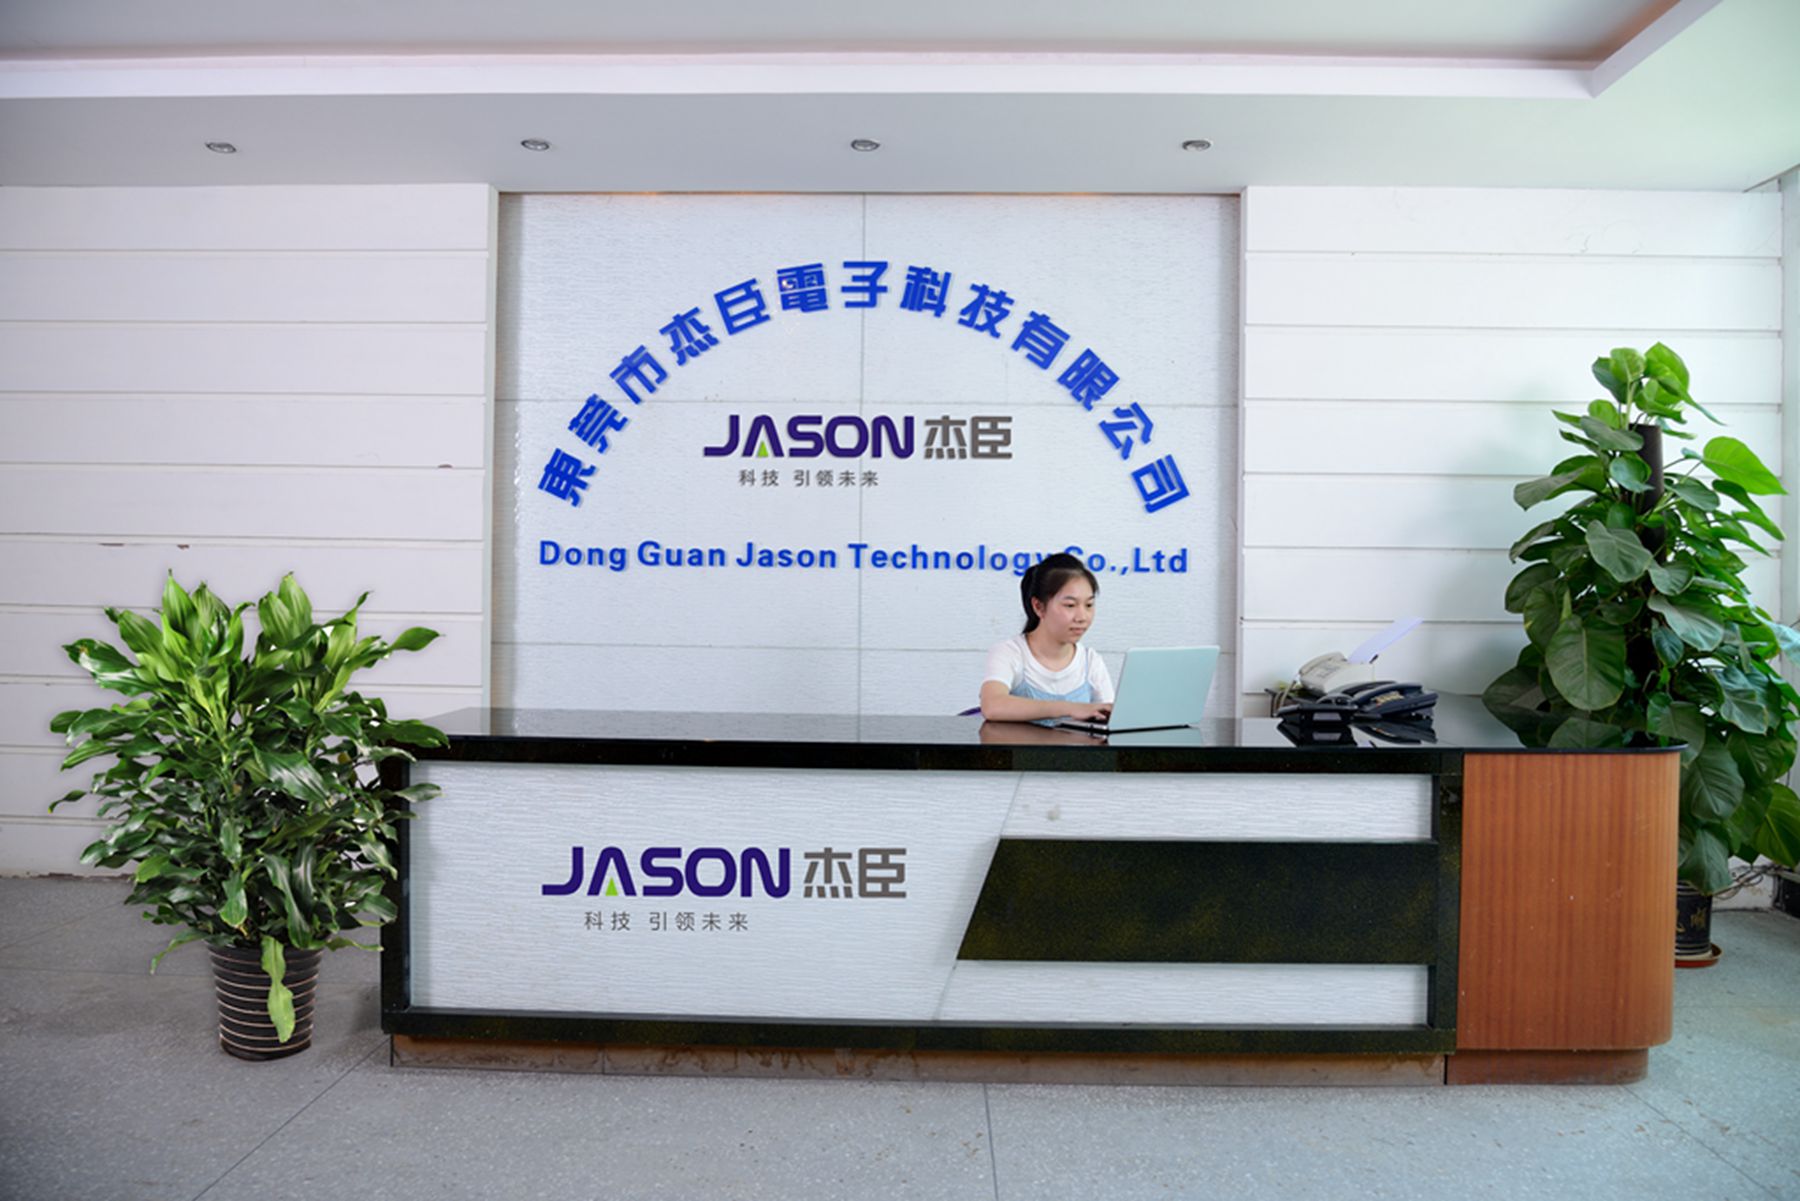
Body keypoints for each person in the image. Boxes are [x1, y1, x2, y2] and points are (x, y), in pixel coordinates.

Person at [979, 552, 1115, 724]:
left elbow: (1111, 719)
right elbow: (992, 706)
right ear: (1038, 607)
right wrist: (1071, 708)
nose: (1082, 617)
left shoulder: (1091, 661)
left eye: (1089, 605)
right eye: (1070, 605)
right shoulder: (1010, 652)